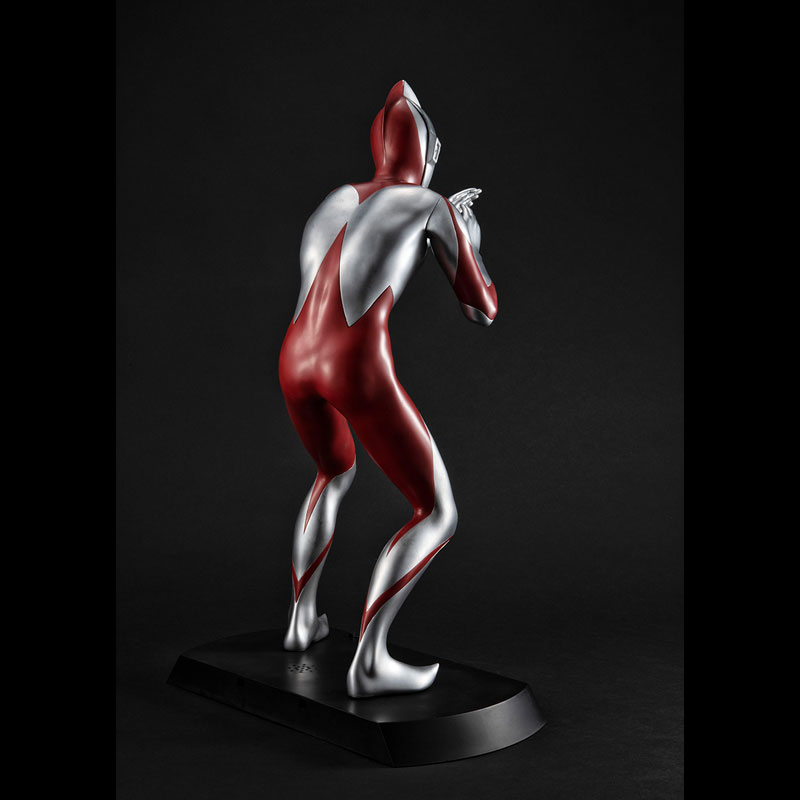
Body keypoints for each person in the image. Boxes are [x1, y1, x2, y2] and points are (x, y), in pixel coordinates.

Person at [278, 80, 498, 698]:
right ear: (428, 153)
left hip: (294, 357)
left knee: (332, 472)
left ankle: (300, 623)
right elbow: (482, 309)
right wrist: (467, 235)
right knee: (437, 512)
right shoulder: (429, 203)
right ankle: (370, 663)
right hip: (354, 364)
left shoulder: (336, 198)